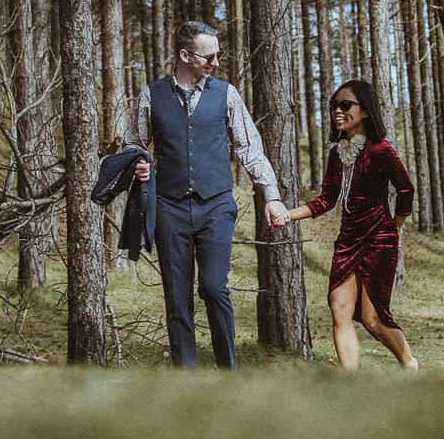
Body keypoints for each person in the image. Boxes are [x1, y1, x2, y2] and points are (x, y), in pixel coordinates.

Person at [131, 20, 289, 368]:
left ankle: (226, 372)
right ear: (185, 55)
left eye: (218, 55)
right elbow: (134, 145)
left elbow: (250, 148)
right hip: (169, 209)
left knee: (215, 288)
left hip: (216, 205)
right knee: (177, 297)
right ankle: (186, 378)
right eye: (209, 56)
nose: (216, 62)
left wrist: (271, 194)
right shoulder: (152, 95)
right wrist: (139, 164)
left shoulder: (226, 94)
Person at [283, 79, 419, 372]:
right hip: (347, 240)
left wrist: (393, 225)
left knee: (373, 320)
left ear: (366, 111)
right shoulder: (336, 154)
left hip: (379, 239)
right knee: (339, 309)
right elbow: (326, 200)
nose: (337, 111)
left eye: (345, 105)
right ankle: (351, 383)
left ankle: (410, 364)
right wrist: (286, 215)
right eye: (334, 106)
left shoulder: (381, 150)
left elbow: (406, 189)